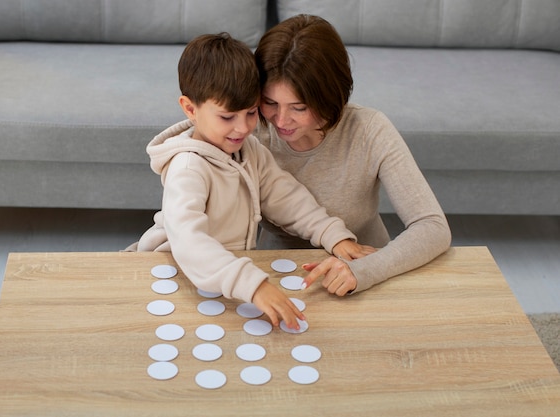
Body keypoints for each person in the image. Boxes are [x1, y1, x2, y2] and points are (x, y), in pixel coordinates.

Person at [126, 33, 375, 329]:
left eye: (251, 112)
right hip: (174, 268)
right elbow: (190, 243)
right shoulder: (188, 168)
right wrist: (253, 285)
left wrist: (331, 233)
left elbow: (284, 195)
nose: (242, 127)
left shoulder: (249, 150)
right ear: (190, 109)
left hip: (223, 273)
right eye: (227, 117)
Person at [254, 14, 452, 296]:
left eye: (298, 107)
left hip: (366, 269)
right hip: (275, 273)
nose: (281, 120)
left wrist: (363, 271)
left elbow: (432, 226)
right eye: (270, 102)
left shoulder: (369, 129)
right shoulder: (249, 132)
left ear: (330, 95)